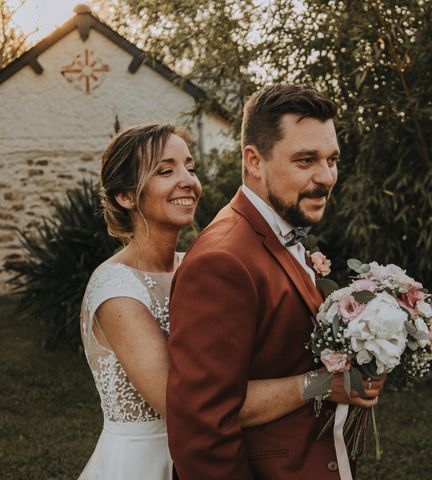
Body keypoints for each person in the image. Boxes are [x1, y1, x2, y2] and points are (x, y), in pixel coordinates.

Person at [79, 122, 362, 480]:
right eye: (166, 170)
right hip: (149, 463)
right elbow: (190, 406)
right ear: (125, 196)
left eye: (190, 167)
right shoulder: (116, 289)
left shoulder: (196, 265)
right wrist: (318, 383)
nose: (188, 180)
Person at [167, 84, 383, 480]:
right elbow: (202, 432)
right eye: (305, 160)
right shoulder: (221, 262)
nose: (326, 177)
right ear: (254, 160)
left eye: (332, 159)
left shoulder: (283, 230)